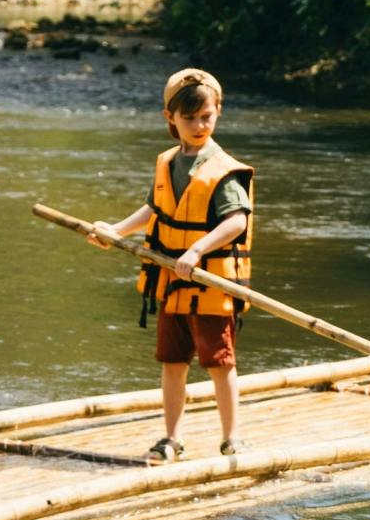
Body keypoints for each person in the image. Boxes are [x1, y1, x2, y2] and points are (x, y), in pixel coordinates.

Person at [91, 69, 254, 463]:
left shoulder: (222, 169)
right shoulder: (168, 162)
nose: (199, 126)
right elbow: (156, 210)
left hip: (210, 284)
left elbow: (237, 221)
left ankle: (232, 438)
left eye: (206, 117)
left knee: (219, 363)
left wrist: (197, 250)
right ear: (170, 117)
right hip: (173, 283)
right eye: (190, 118)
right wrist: (116, 231)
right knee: (172, 362)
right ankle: (171, 438)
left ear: (217, 113)